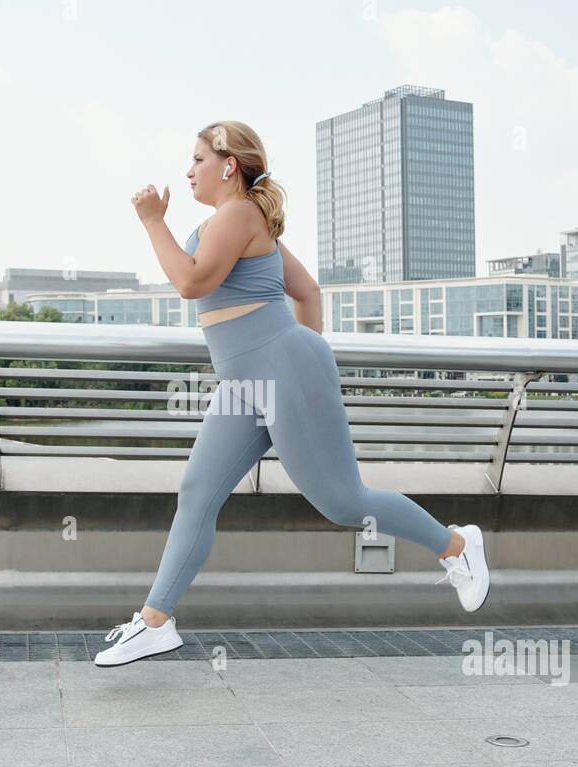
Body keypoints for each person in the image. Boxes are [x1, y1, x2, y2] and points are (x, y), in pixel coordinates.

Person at [96, 120, 490, 667]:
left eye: (197, 160)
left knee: (343, 502)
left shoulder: (240, 213)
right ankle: (155, 621)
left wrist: (151, 222)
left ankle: (458, 546)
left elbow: (191, 283)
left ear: (228, 164)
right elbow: (306, 290)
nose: (188, 171)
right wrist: (303, 351)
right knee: (197, 492)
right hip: (244, 382)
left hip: (279, 370)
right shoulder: (233, 222)